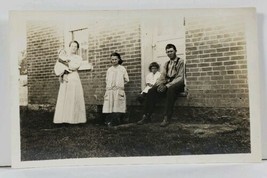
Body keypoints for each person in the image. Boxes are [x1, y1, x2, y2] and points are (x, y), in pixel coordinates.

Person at [137, 44, 185, 127]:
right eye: (168, 52)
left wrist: (166, 86)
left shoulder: (180, 61)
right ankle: (146, 116)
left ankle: (167, 117)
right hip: (168, 83)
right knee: (151, 91)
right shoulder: (166, 63)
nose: (169, 53)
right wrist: (158, 85)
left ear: (175, 51)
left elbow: (180, 77)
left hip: (178, 84)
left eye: (171, 51)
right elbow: (162, 76)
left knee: (171, 90)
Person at [53, 40, 86, 124]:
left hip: (74, 77)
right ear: (69, 47)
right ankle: (63, 119)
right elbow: (57, 66)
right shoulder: (64, 56)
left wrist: (63, 63)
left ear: (77, 48)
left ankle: (75, 119)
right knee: (65, 97)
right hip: (65, 77)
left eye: (75, 46)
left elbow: (73, 67)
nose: (74, 48)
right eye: (72, 46)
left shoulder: (78, 58)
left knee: (73, 97)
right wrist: (62, 73)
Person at [102, 52, 129, 127]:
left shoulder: (122, 69)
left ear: (119, 59)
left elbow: (126, 80)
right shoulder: (109, 70)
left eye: (115, 59)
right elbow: (107, 80)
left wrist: (119, 85)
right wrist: (110, 87)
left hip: (118, 90)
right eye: (112, 59)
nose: (114, 61)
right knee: (110, 105)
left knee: (118, 105)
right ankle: (109, 120)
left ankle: (116, 120)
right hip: (110, 90)